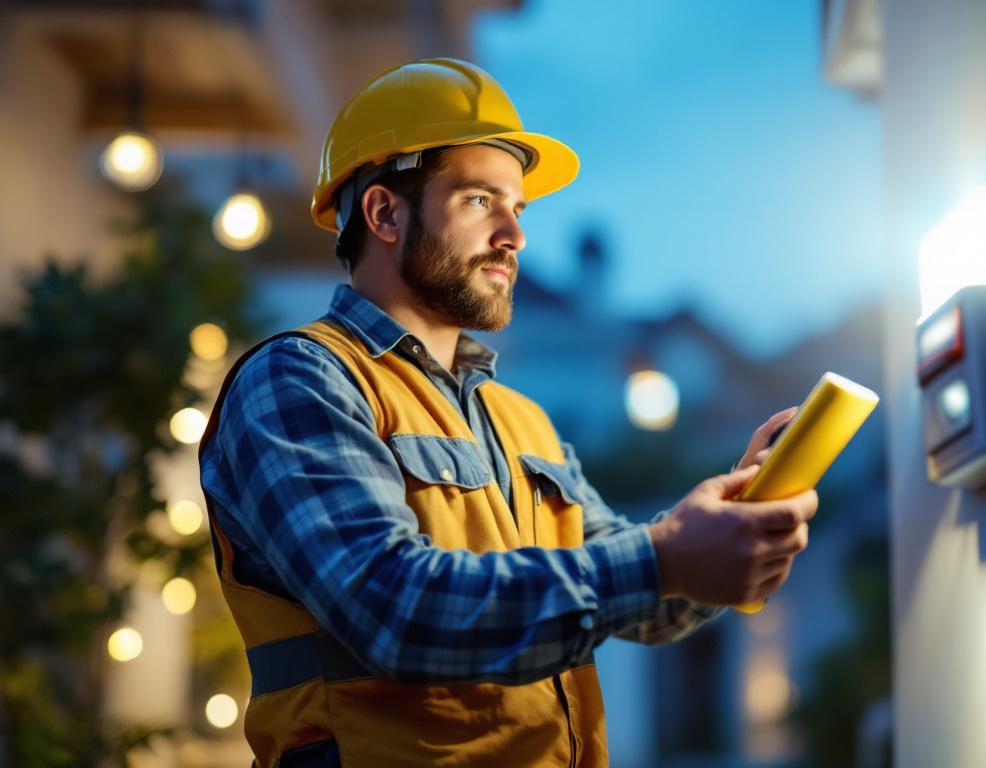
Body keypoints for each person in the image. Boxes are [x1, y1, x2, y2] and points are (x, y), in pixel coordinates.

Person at [198, 58, 816, 768]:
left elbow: (644, 592)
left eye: (517, 209)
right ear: (384, 213)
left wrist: (726, 530)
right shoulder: (299, 381)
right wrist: (665, 557)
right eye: (479, 201)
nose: (515, 236)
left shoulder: (521, 420)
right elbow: (393, 608)